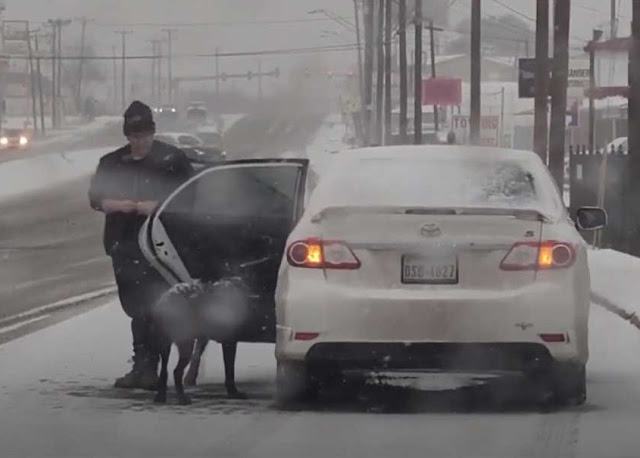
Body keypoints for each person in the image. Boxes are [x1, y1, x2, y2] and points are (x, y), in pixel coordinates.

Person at [89, 100, 193, 389]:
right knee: (137, 308)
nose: (139, 143)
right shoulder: (112, 163)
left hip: (162, 247)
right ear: (126, 136)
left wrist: (159, 206)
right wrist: (117, 204)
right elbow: (95, 198)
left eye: (144, 136)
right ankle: (142, 365)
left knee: (158, 305)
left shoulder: (172, 160)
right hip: (124, 244)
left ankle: (155, 367)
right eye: (134, 137)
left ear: (153, 132)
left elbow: (190, 196)